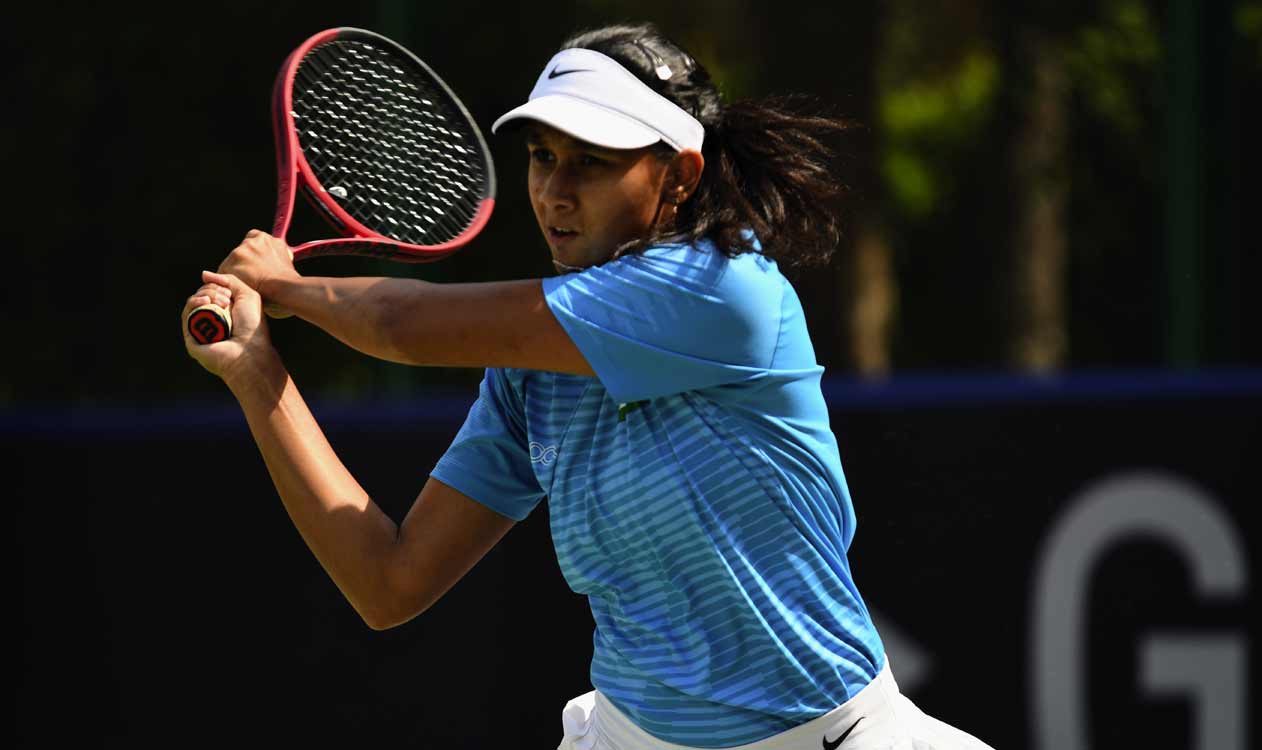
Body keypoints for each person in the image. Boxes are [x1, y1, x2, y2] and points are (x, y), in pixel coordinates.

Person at [182, 22, 994, 750]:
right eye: (542, 157)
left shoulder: (721, 289)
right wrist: (256, 371)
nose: (555, 192)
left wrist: (283, 285)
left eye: (592, 163)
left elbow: (400, 326)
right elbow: (388, 583)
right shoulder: (531, 369)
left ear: (679, 175)